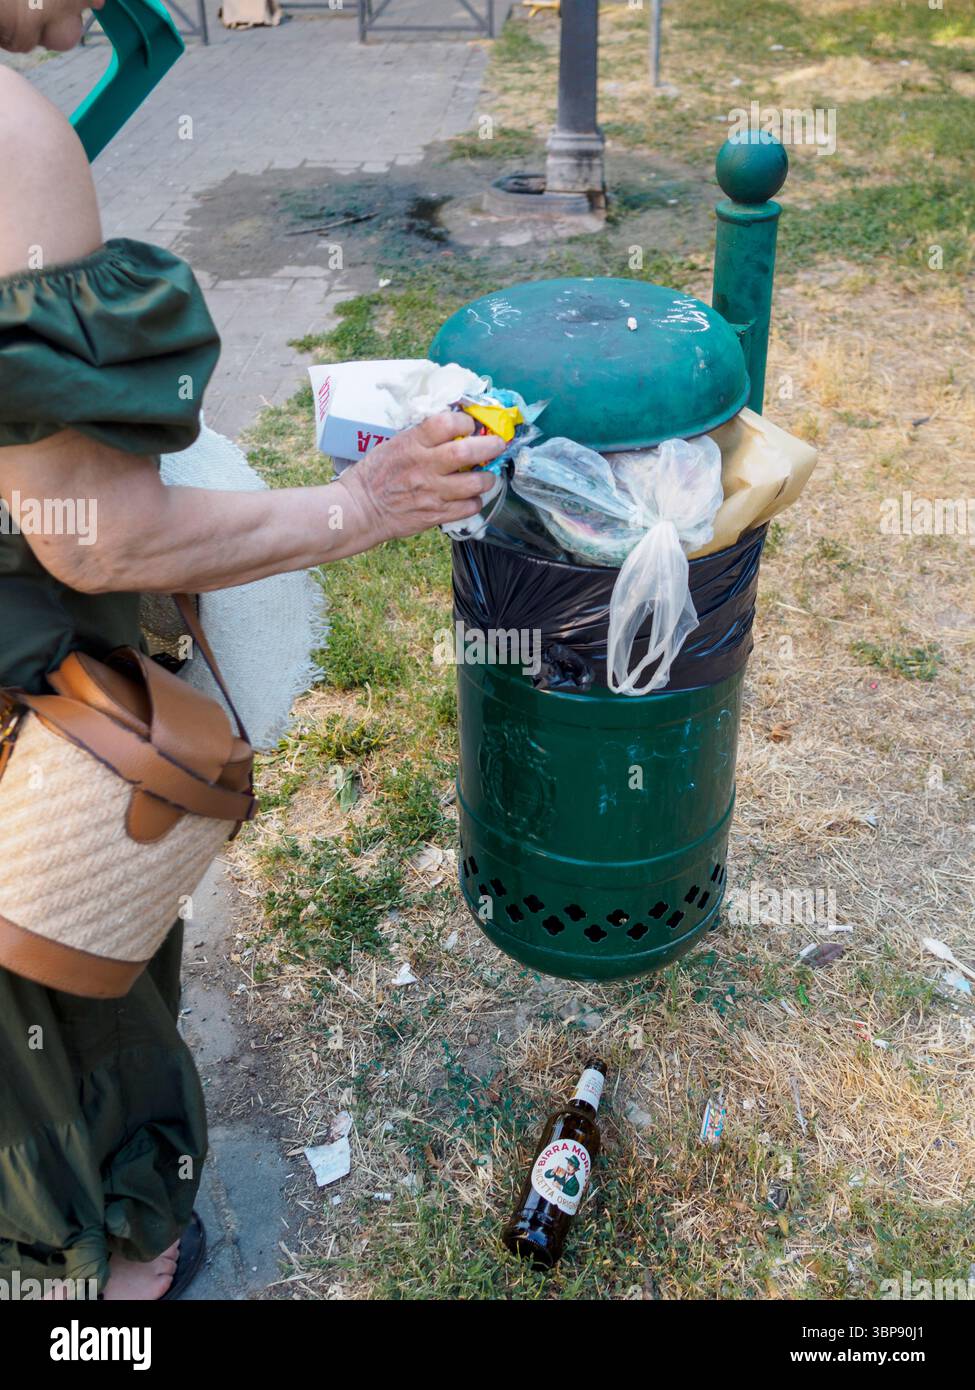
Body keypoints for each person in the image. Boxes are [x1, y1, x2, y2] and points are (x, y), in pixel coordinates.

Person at [0, 0, 503, 1299]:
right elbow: (97, 539)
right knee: (69, 999)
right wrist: (365, 506)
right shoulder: (13, 142)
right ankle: (126, 1268)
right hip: (39, 722)